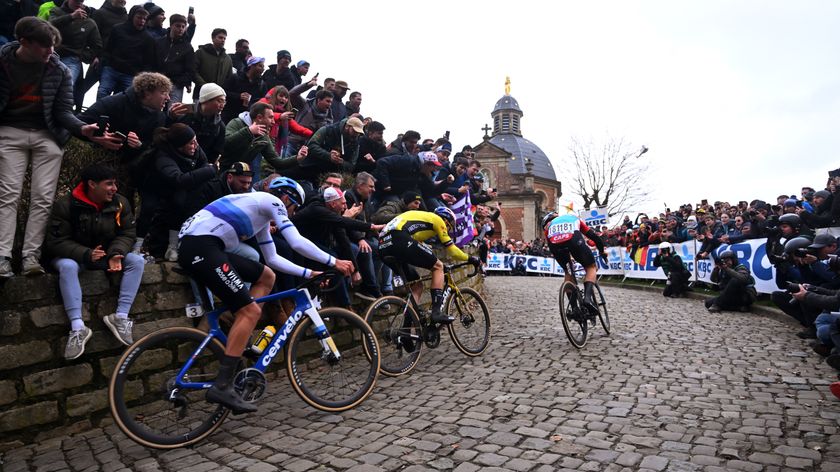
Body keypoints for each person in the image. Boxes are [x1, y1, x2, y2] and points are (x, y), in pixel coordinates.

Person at [177, 176, 354, 413]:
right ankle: (222, 385)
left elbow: (272, 258)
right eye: (293, 207)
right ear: (286, 198)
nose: (291, 213)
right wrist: (334, 261)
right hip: (201, 247)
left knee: (266, 276)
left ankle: (241, 320)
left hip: (204, 245)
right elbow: (296, 242)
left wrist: (309, 272)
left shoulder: (258, 214)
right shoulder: (271, 201)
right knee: (250, 310)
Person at [0, 16, 109, 278]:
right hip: (9, 132)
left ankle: (31, 258)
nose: (51, 51)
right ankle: (2, 257)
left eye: (53, 46)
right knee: (8, 196)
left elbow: (63, 111)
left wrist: (83, 129)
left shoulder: (60, 70)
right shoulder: (2, 63)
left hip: (47, 135)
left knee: (43, 199)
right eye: (45, 46)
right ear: (24, 42)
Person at [44, 164, 142, 359]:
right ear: (91, 184)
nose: (114, 189)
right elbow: (55, 242)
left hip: (105, 254)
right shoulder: (66, 205)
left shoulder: (120, 203)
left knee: (136, 261)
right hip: (74, 257)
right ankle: (78, 327)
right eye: (109, 184)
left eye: (115, 184)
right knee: (67, 267)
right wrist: (86, 254)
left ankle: (120, 317)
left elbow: (128, 234)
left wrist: (116, 253)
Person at [378, 206, 481, 323]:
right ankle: (436, 313)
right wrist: (471, 258)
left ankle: (406, 332)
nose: (446, 229)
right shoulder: (438, 220)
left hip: (383, 245)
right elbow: (452, 251)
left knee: (417, 285)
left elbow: (423, 249)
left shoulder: (421, 220)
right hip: (400, 238)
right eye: (448, 226)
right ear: (446, 220)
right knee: (438, 267)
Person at [541, 205, 607, 309]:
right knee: (591, 267)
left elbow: (555, 243)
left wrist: (568, 260)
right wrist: (602, 252)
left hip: (556, 246)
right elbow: (595, 238)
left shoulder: (547, 228)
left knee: (568, 272)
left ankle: (574, 308)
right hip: (575, 242)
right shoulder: (573, 218)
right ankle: (588, 299)